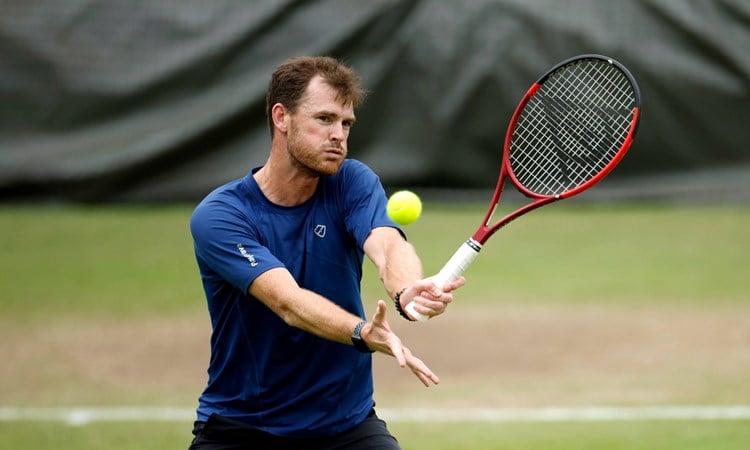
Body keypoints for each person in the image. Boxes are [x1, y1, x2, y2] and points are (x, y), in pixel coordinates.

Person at [188, 55, 465, 450]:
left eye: (346, 123)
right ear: (281, 118)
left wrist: (406, 292)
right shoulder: (221, 216)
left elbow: (387, 244)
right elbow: (288, 302)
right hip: (244, 428)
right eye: (324, 119)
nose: (339, 135)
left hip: (345, 427)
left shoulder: (352, 181)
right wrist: (360, 332)